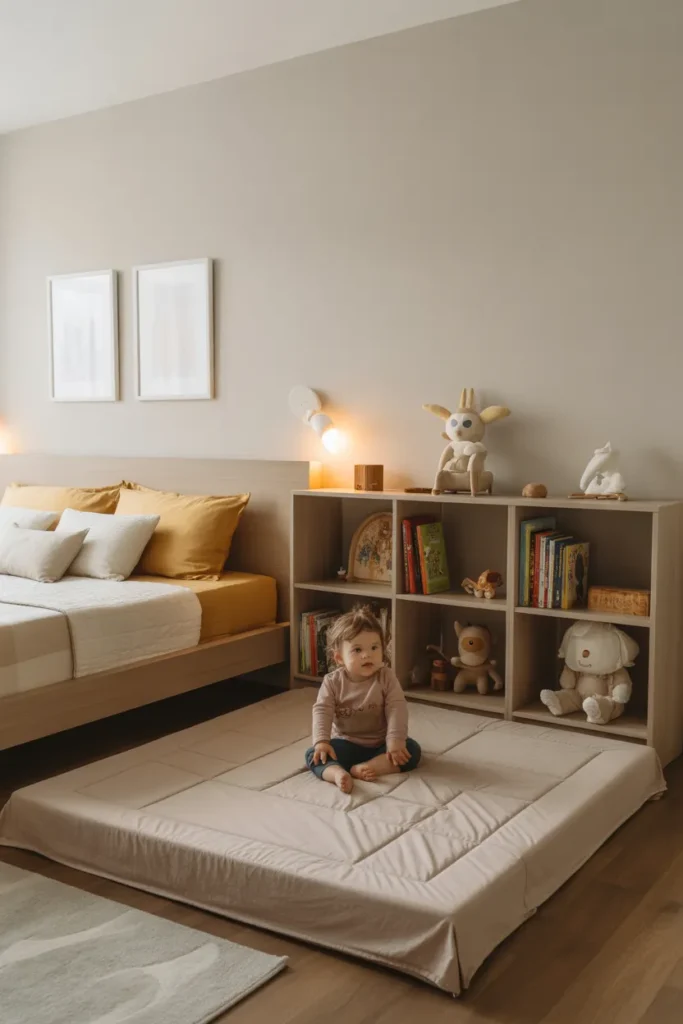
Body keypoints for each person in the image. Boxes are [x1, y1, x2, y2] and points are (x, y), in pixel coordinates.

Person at [304, 606, 421, 793]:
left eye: (374, 647)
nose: (367, 655)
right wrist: (322, 741)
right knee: (314, 754)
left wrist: (395, 740)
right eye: (357, 650)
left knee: (411, 750)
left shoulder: (386, 677)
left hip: (380, 743)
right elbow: (322, 710)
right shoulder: (332, 682)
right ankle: (337, 773)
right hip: (345, 743)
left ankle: (369, 767)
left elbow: (397, 708)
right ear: (339, 657)